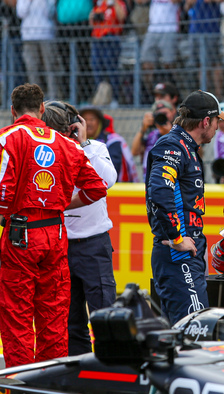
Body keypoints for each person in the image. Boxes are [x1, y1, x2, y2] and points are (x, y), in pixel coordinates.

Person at [0, 84, 108, 367]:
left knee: (17, 316)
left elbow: (3, 192)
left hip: (19, 235)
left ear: (13, 111)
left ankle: (20, 385)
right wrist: (60, 204)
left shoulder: (8, 138)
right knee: (53, 317)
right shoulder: (67, 144)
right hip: (56, 234)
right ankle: (50, 384)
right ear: (42, 109)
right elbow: (97, 188)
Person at [145, 90, 224, 325]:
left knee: (179, 331)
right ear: (206, 121)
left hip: (184, 252)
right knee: (194, 329)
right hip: (178, 253)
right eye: (216, 122)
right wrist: (176, 237)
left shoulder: (185, 146)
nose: (217, 128)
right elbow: (160, 191)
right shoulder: (173, 146)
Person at [41, 100, 118, 356]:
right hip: (60, 245)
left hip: (93, 244)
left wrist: (83, 145)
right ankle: (80, 375)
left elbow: (107, 180)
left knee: (104, 315)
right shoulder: (45, 154)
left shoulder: (95, 147)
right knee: (71, 322)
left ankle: (112, 370)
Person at [80, 106, 139, 182]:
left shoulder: (112, 141)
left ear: (99, 122)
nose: (88, 123)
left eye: (92, 119)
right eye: (85, 119)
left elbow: (113, 171)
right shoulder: (75, 142)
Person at [17, 0, 62, 100]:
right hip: (28, 35)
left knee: (50, 66)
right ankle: (35, 98)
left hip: (46, 33)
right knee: (32, 67)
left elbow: (49, 13)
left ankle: (53, 96)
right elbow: (21, 12)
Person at [89, 0, 128, 107]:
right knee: (96, 67)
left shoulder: (118, 3)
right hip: (97, 38)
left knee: (111, 68)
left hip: (111, 37)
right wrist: (92, 16)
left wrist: (114, 3)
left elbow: (122, 17)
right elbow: (92, 23)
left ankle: (114, 98)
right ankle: (101, 97)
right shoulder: (99, 4)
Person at [131, 100, 177, 179]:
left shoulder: (180, 131)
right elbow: (134, 152)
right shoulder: (151, 133)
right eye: (159, 114)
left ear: (172, 113)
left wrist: (170, 134)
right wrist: (143, 128)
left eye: (165, 114)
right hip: (150, 178)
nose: (162, 117)